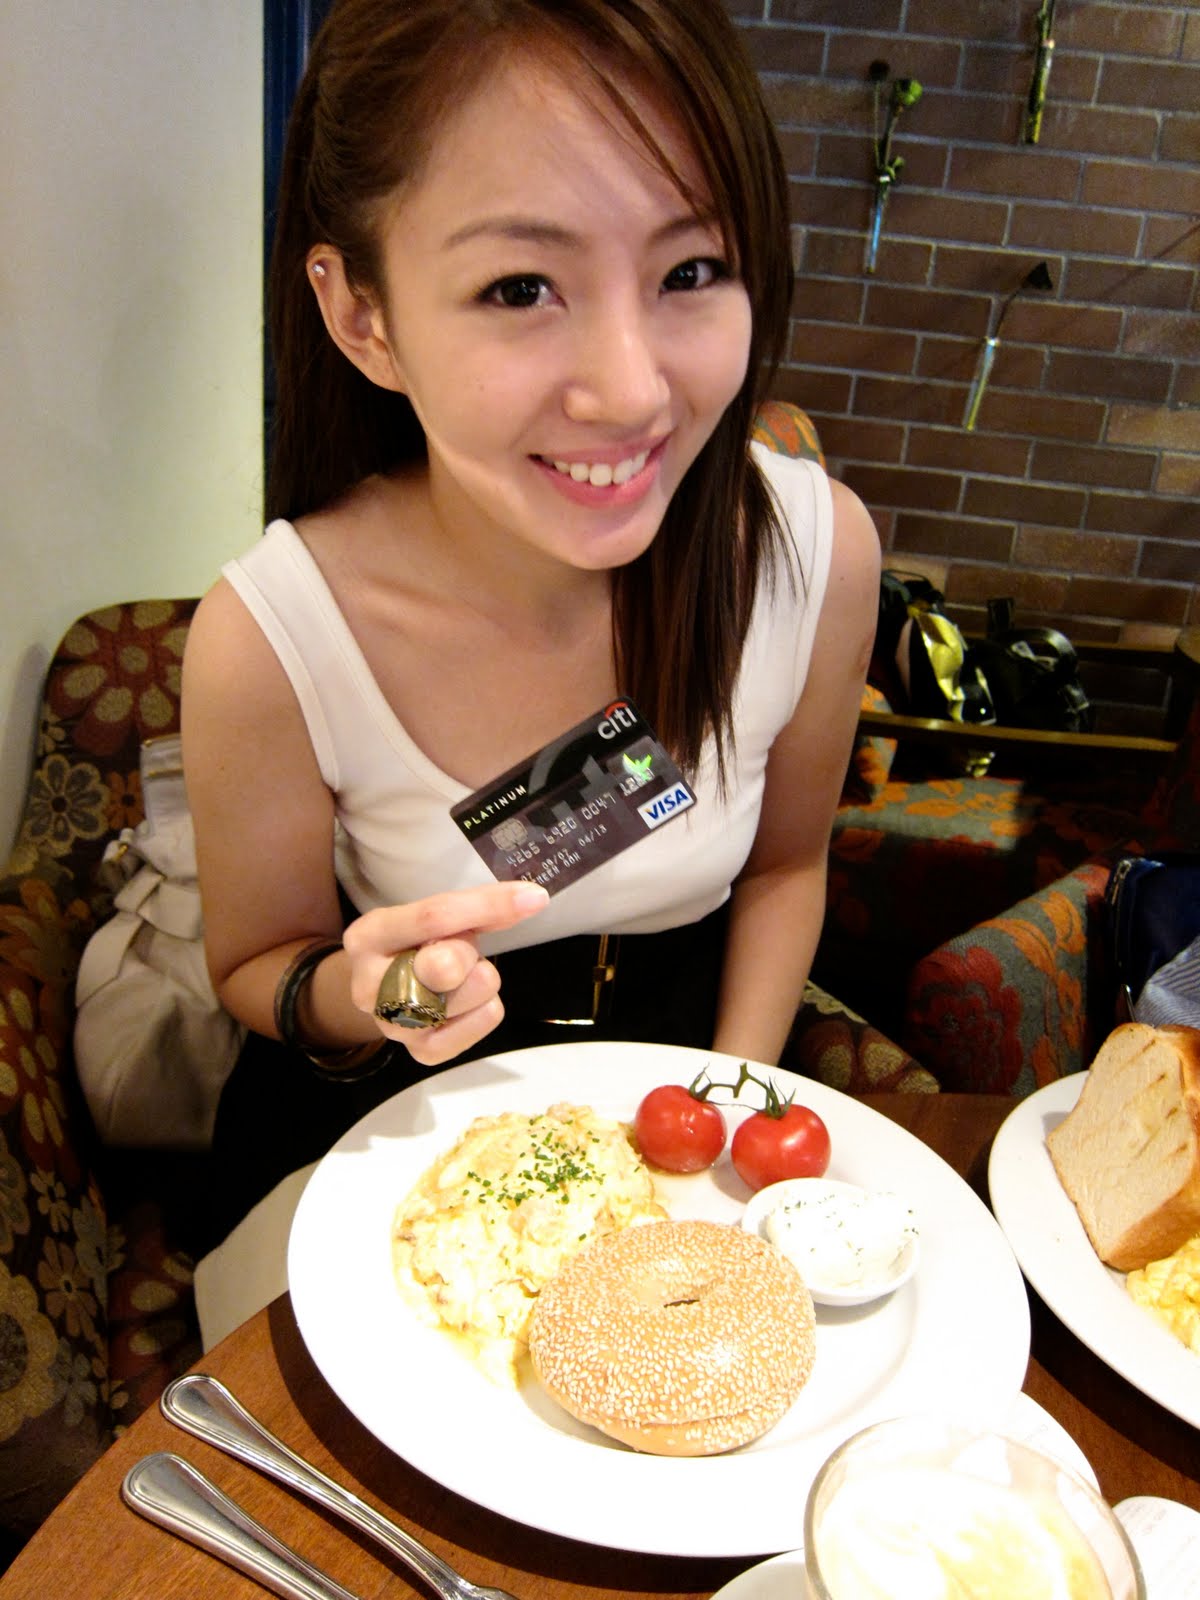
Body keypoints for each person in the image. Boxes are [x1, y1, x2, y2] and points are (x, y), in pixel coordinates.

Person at [181, 0, 880, 1251]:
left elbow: (785, 868)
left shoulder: (813, 560)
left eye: (690, 271)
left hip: (672, 1114)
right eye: (520, 288)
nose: (629, 389)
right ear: (362, 315)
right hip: (381, 1145)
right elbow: (258, 966)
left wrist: (723, 1116)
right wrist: (383, 993)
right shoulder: (274, 638)